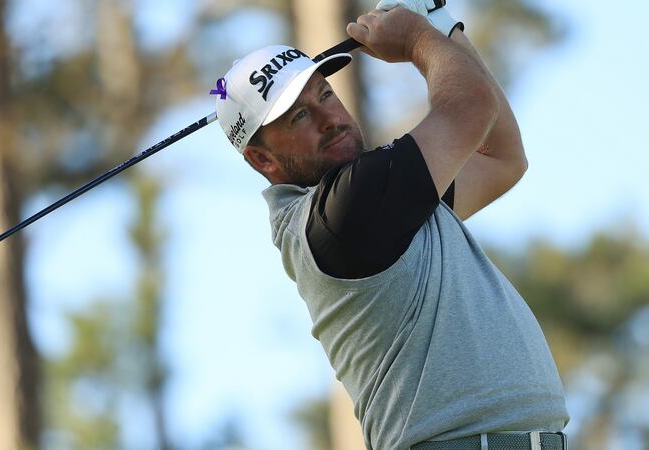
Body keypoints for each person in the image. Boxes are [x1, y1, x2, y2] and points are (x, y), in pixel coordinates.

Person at [210, 1, 569, 449]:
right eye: (299, 116)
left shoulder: (383, 204)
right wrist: (418, 38)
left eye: (325, 94)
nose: (329, 119)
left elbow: (501, 158)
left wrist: (440, 25)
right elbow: (473, 108)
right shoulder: (344, 213)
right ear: (262, 159)